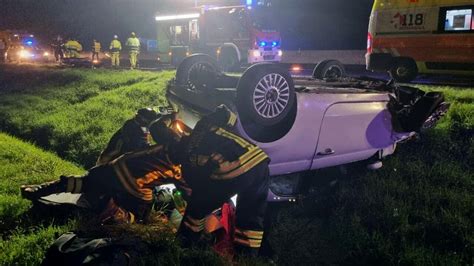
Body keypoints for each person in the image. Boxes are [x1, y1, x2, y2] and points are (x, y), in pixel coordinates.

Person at [20, 121, 184, 225]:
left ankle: (39, 190)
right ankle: (112, 211)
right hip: (136, 187)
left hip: (117, 166)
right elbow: (188, 196)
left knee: (85, 181)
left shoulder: (176, 140)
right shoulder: (189, 170)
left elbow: (156, 126)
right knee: (139, 217)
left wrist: (169, 118)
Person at [175, 105, 270, 257]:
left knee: (196, 210)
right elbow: (226, 112)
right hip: (259, 160)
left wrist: (198, 203)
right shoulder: (204, 123)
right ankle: (247, 257)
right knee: (251, 215)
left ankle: (183, 248)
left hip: (234, 167)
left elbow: (197, 190)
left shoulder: (186, 159)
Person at [96, 108, 160, 166]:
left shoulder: (137, 126)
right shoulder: (131, 128)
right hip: (113, 158)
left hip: (121, 154)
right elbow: (138, 147)